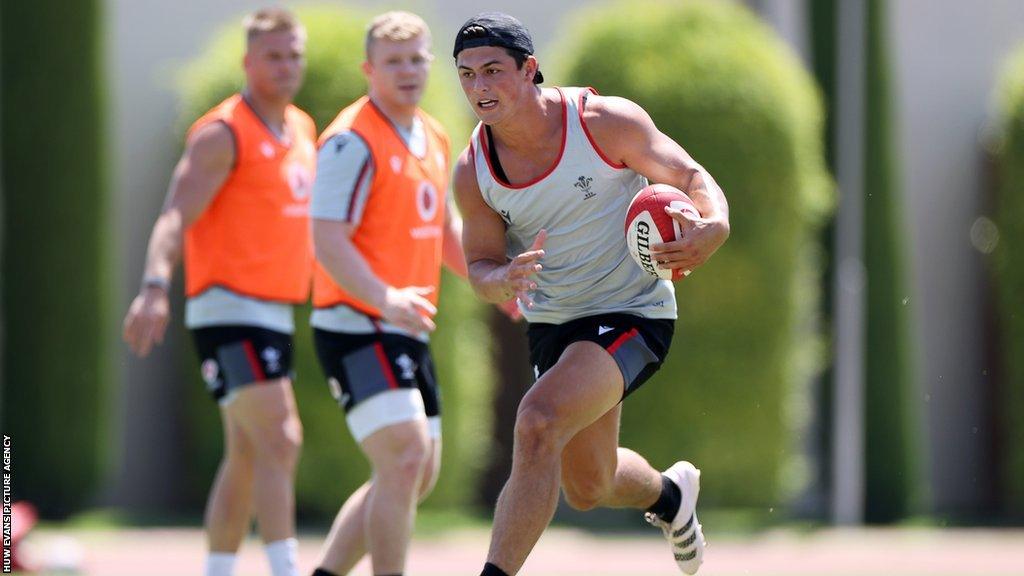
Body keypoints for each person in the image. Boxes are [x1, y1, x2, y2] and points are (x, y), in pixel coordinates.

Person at [451, 12, 731, 576]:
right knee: (589, 484)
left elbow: (692, 178)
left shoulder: (603, 122)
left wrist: (714, 225)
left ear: (529, 69)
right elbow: (479, 264)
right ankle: (669, 498)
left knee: (536, 422)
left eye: (492, 70)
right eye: (466, 74)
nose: (479, 87)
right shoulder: (473, 171)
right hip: (556, 324)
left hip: (634, 310)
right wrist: (498, 280)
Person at [307, 12, 513, 576]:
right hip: (355, 324)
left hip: (404, 327)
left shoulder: (433, 132)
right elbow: (326, 239)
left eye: (417, 59)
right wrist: (384, 296)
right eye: (393, 62)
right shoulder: (350, 141)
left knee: (412, 473)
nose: (408, 71)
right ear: (369, 70)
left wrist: (493, 282)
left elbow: (443, 228)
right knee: (404, 456)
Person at [121, 8, 315, 576]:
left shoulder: (301, 128)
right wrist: (155, 286)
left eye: (293, 54)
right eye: (274, 56)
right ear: (248, 62)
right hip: (227, 307)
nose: (286, 66)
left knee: (250, 454)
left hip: (274, 311)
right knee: (282, 437)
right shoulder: (222, 133)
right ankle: (285, 569)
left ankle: (218, 570)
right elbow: (174, 216)